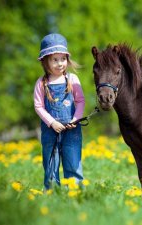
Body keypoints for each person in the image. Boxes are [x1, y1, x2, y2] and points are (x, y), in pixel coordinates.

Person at [34, 33, 85, 190]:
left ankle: (75, 194)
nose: (60, 63)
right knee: (51, 165)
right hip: (51, 132)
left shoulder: (73, 79)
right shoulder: (41, 84)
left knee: (73, 162)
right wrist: (52, 122)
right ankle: (52, 195)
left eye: (62, 59)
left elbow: (80, 101)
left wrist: (74, 119)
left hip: (72, 131)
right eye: (54, 59)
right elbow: (38, 106)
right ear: (45, 62)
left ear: (67, 60)